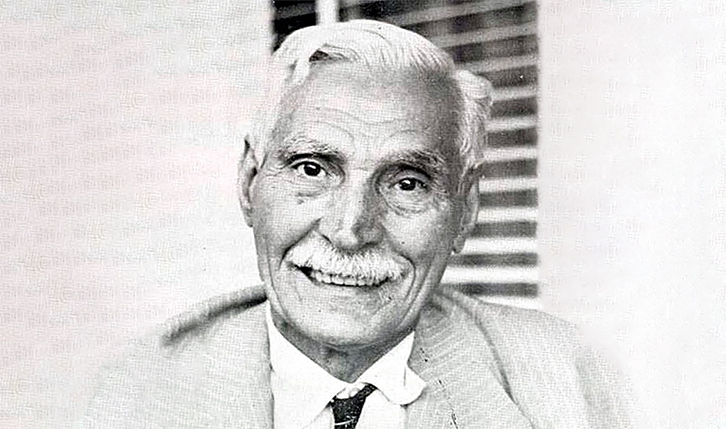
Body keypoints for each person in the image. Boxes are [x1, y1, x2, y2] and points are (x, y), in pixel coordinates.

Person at [81, 20, 630, 429]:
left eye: (407, 183)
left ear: (464, 212)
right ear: (249, 183)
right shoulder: (126, 394)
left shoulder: (574, 382)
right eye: (312, 169)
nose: (349, 231)